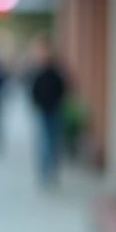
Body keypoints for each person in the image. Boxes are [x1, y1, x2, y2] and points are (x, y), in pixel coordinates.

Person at [29, 35, 68, 186]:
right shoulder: (39, 72)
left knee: (52, 142)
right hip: (43, 110)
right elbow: (33, 90)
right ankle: (44, 172)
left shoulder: (55, 72)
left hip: (54, 110)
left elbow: (63, 89)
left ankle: (51, 171)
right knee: (44, 141)